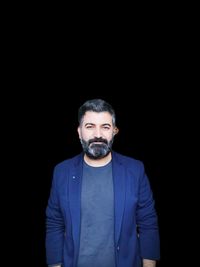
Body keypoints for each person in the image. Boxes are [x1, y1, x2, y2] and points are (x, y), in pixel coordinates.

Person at [45, 98, 160, 267]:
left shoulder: (135, 170)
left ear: (114, 130)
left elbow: (148, 223)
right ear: (79, 131)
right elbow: (55, 223)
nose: (97, 134)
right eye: (90, 126)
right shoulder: (62, 171)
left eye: (105, 127)